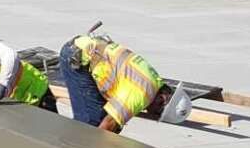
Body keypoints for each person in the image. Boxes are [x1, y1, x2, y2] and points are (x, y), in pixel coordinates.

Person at [57, 32, 185, 133]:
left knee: (113, 127)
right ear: (162, 99)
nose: (151, 115)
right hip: (77, 58)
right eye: (157, 114)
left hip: (85, 50)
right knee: (91, 124)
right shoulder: (141, 94)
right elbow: (107, 124)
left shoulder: (154, 81)